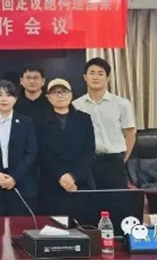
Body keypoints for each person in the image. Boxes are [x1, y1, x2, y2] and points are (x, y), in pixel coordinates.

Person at [0, 80, 38, 216]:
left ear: (15, 99)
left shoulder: (26, 122)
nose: (4, 99)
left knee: (19, 226)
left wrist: (15, 177)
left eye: (9, 95)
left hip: (20, 184)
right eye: (0, 95)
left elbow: (31, 153)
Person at [73, 58, 136, 190]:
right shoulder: (76, 105)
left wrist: (123, 159)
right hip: (87, 162)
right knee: (89, 200)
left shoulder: (122, 104)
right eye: (92, 73)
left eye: (100, 73)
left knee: (115, 200)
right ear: (85, 77)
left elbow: (130, 134)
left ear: (107, 78)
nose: (95, 77)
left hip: (114, 162)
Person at [38, 78, 95, 215]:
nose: (60, 95)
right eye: (55, 92)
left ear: (71, 95)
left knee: (83, 221)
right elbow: (42, 153)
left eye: (64, 91)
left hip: (80, 181)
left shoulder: (84, 119)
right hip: (52, 182)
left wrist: (73, 176)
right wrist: (61, 176)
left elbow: (88, 151)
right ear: (48, 97)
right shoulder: (40, 121)